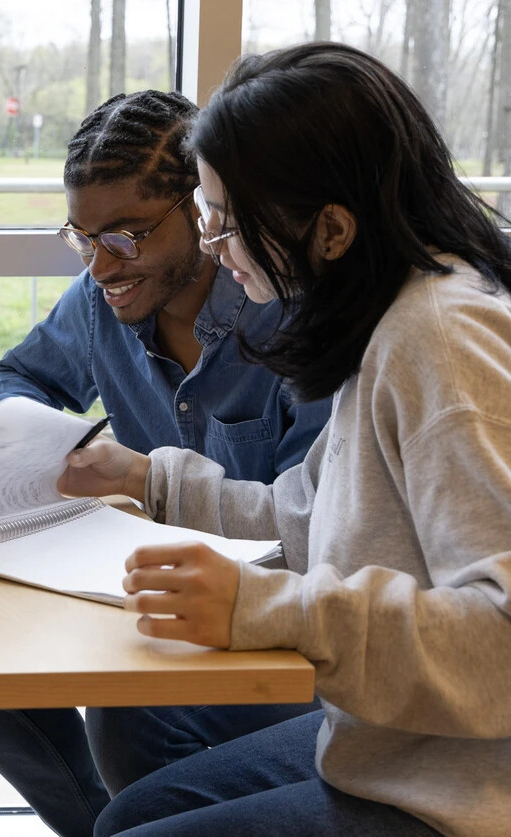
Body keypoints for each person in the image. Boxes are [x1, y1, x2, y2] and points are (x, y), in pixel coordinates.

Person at [65, 42, 511, 836]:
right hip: (394, 741)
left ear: (331, 229)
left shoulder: (440, 339)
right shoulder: (387, 317)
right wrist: (151, 480)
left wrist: (268, 607)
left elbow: (502, 642)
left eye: (227, 223)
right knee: (134, 813)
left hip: (466, 786)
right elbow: (306, 514)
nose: (214, 247)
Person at [0, 90, 331, 837]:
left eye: (127, 234)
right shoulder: (103, 299)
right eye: (83, 236)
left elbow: (309, 532)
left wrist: (141, 481)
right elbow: (19, 378)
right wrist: (51, 444)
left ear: (203, 210)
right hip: (141, 594)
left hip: (282, 624)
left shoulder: (291, 315)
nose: (101, 265)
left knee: (127, 717)